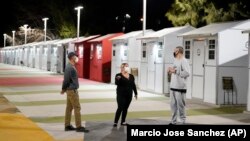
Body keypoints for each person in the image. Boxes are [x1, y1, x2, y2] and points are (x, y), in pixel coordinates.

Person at [60, 52, 89, 132]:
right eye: (76, 56)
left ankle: (67, 125)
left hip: (70, 90)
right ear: (72, 58)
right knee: (77, 107)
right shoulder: (70, 68)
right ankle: (79, 126)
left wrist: (64, 89)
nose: (77, 58)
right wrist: (63, 89)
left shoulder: (70, 67)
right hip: (72, 91)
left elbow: (66, 80)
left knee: (69, 108)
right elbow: (66, 80)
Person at [167, 46, 190, 125]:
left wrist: (175, 71)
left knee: (181, 106)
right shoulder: (175, 60)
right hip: (173, 86)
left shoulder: (184, 61)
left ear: (179, 52)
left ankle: (182, 121)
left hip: (180, 87)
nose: (174, 52)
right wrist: (170, 70)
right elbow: (174, 70)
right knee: (173, 105)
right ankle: (173, 122)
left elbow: (187, 73)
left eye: (175, 51)